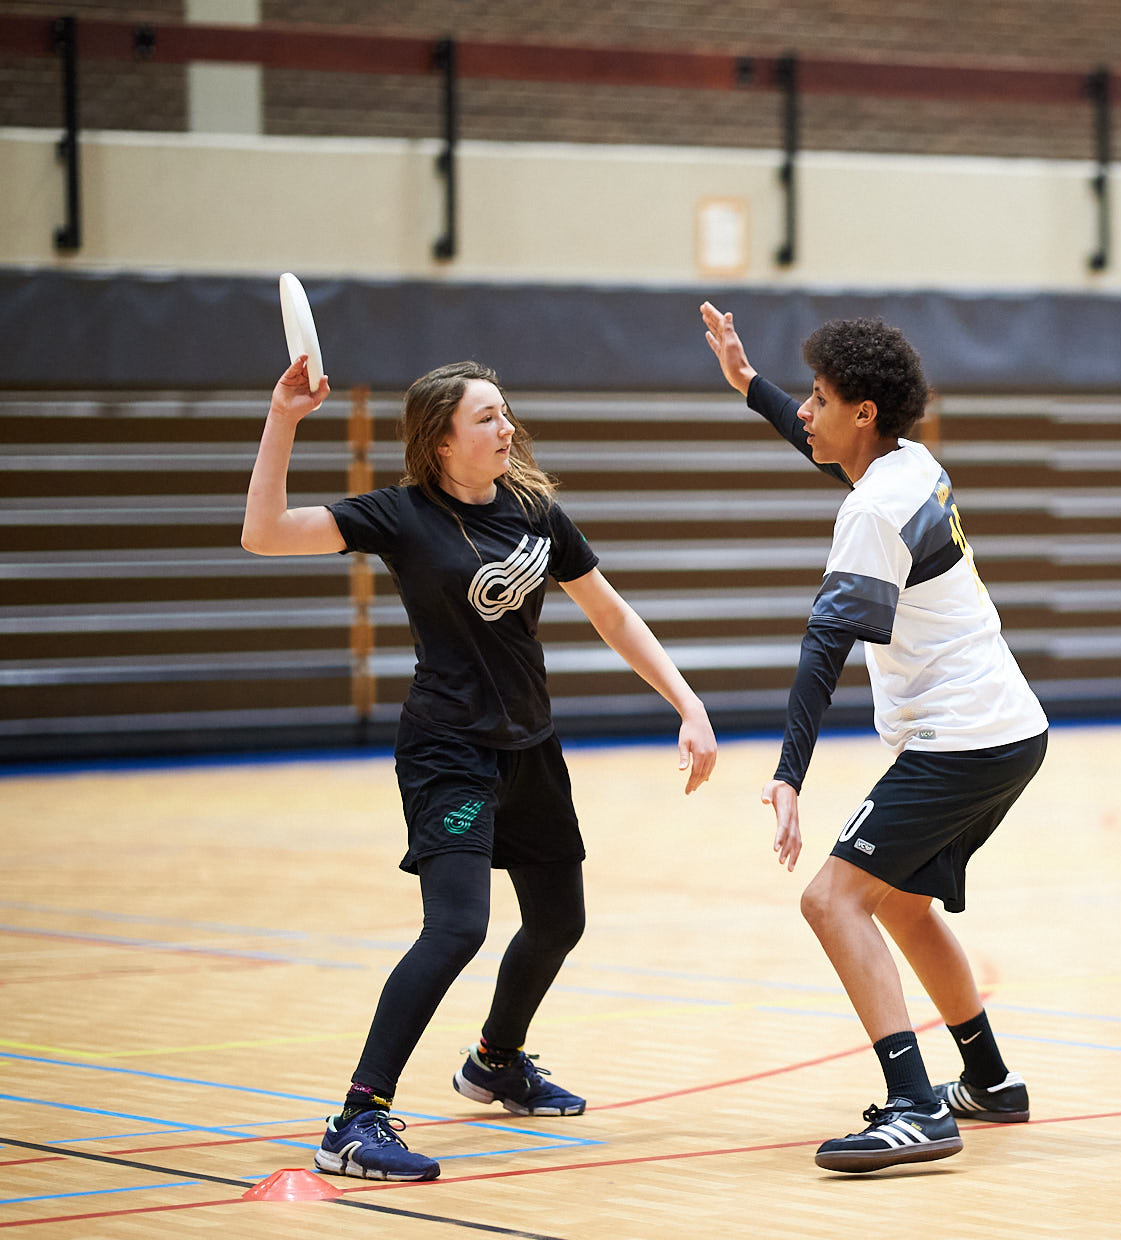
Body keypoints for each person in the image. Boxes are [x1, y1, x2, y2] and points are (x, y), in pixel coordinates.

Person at [241, 354, 718, 1182]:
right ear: (441, 442)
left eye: (505, 412)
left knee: (559, 919)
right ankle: (356, 1117)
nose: (507, 428)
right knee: (458, 927)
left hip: (529, 745)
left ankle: (495, 1059)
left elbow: (608, 610)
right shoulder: (400, 516)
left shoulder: (535, 512)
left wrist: (688, 702)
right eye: (488, 418)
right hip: (448, 750)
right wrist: (284, 418)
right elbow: (266, 533)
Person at [699, 301, 1048, 1173]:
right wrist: (751, 386)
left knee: (832, 898)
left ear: (863, 414)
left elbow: (825, 646)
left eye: (817, 398)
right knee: (895, 900)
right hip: (1009, 729)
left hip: (961, 736)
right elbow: (821, 448)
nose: (805, 412)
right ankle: (989, 1080)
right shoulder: (907, 463)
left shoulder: (871, 514)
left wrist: (788, 776)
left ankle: (913, 1105)